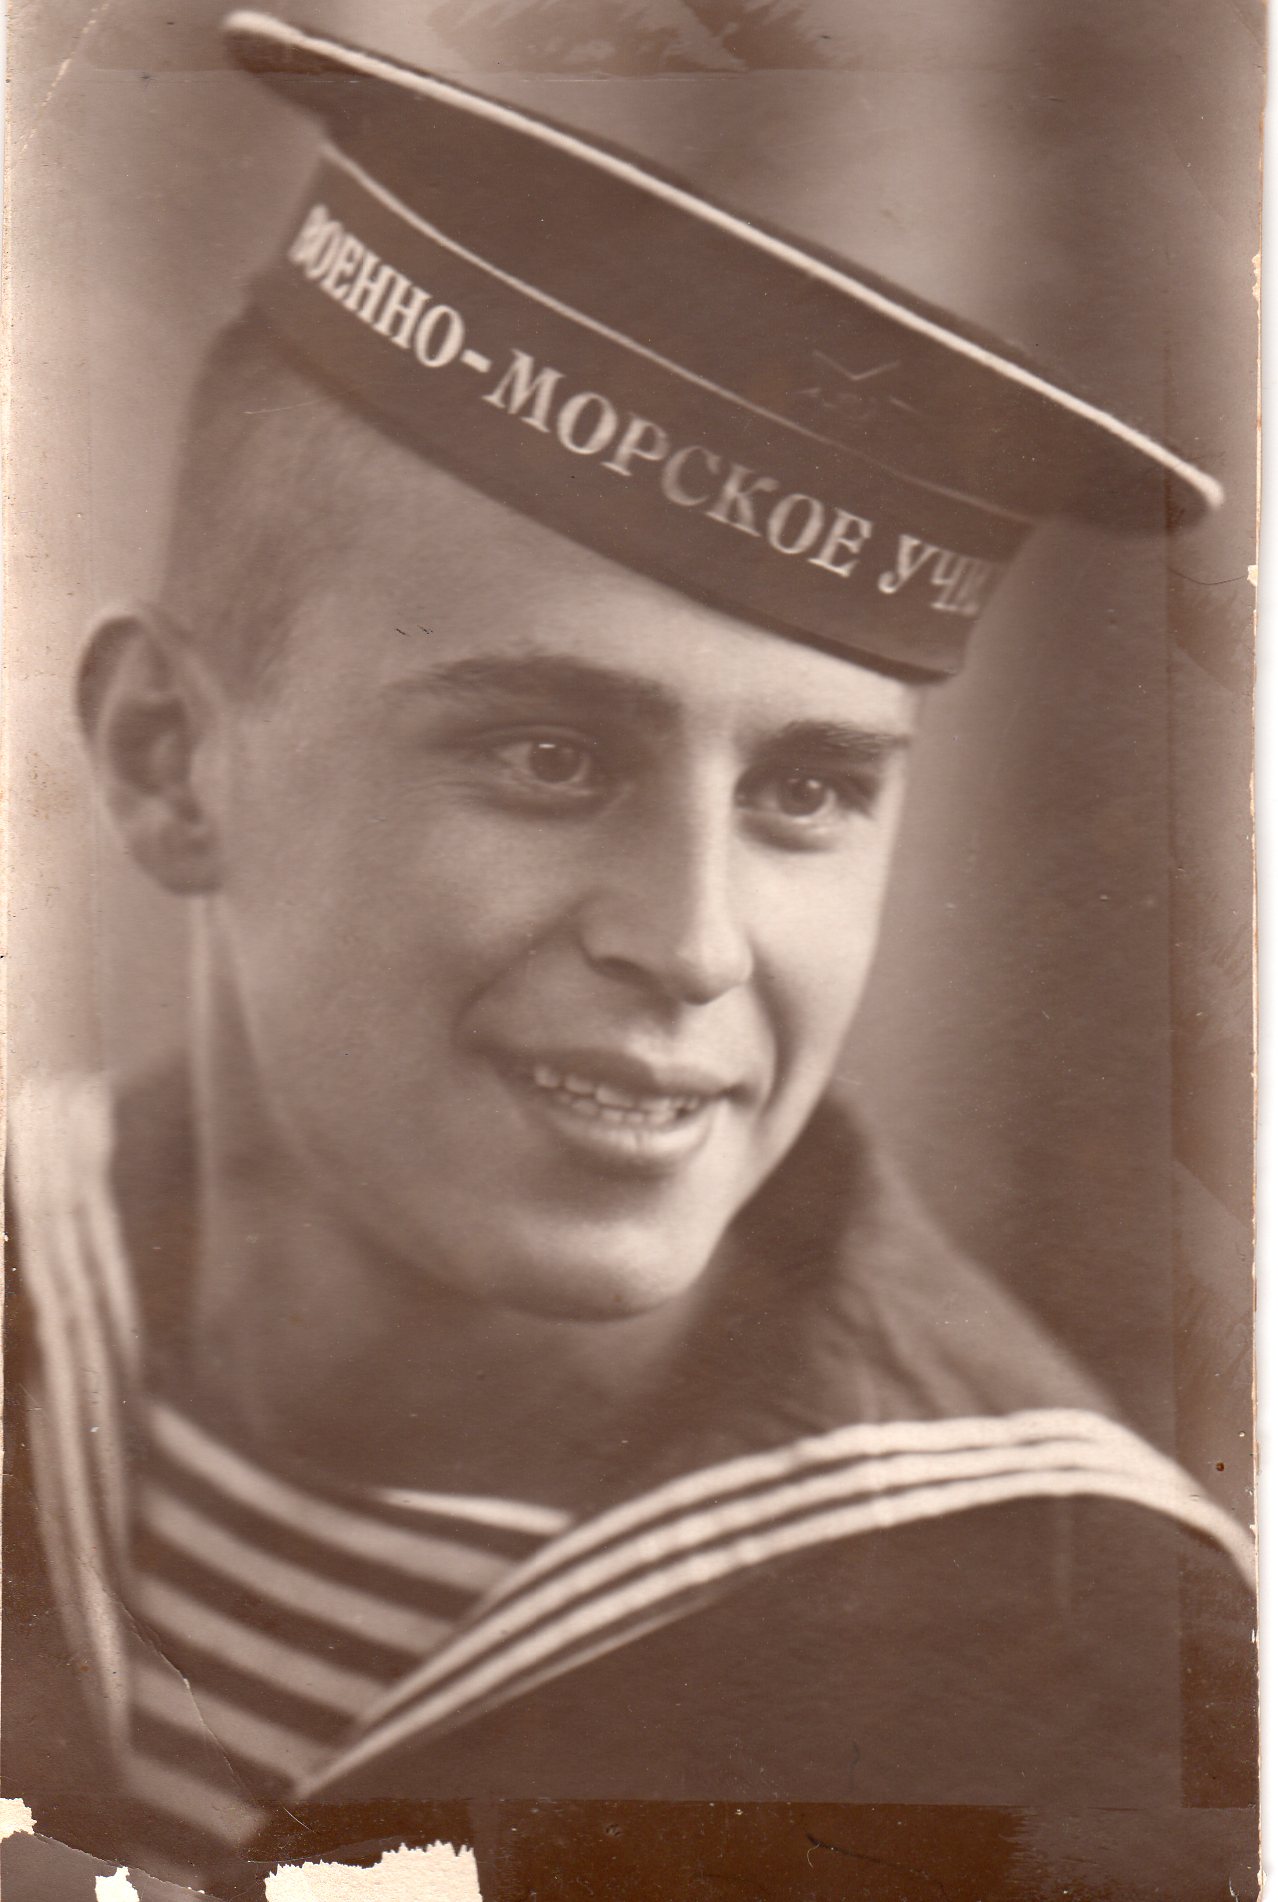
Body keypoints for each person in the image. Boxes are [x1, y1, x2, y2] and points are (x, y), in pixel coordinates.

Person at [4, 12, 1256, 1899]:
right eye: (548, 755)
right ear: (168, 757)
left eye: (809, 789)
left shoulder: (1063, 1642)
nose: (689, 944)